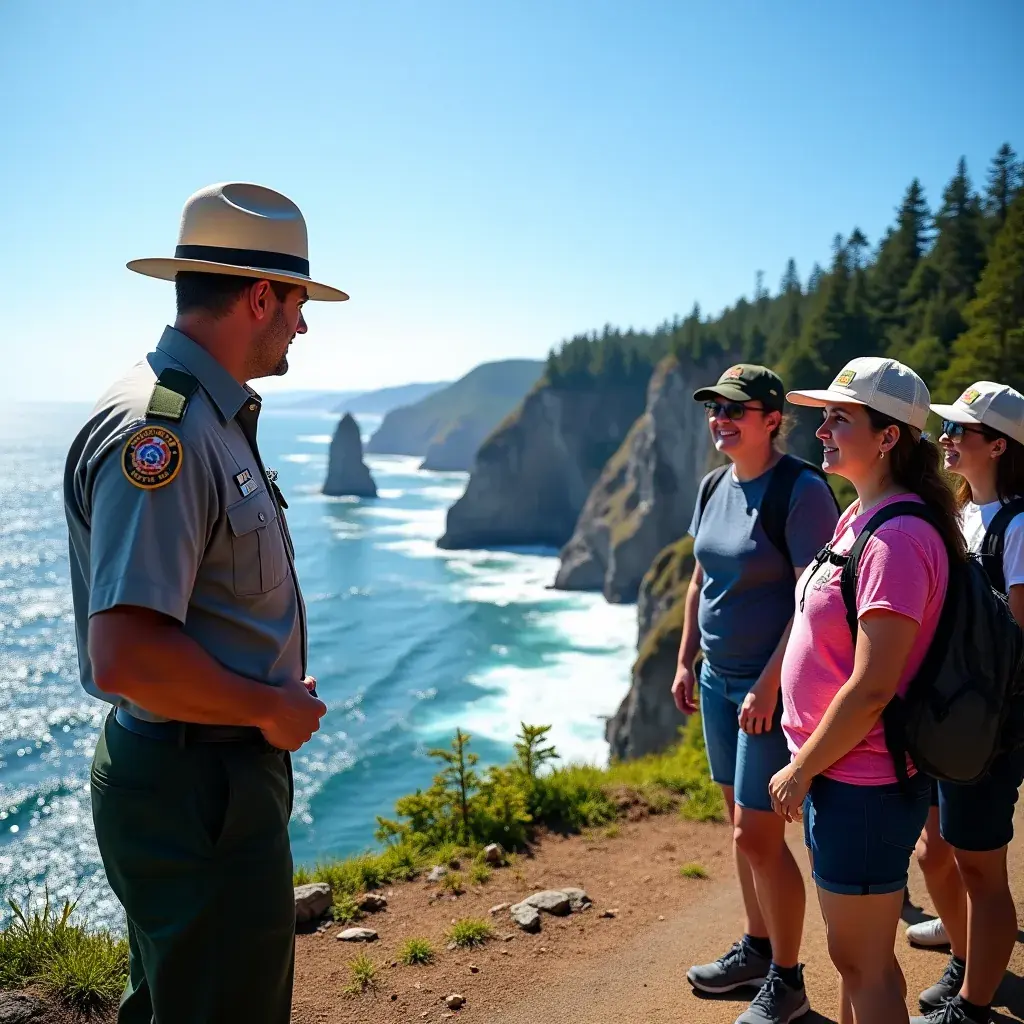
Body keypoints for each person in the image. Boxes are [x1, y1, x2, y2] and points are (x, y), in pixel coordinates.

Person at [63, 182, 347, 1023]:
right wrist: (267, 708)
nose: (302, 325)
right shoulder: (169, 433)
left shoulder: (203, 416)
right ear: (260, 297)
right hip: (200, 788)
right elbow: (126, 656)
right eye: (297, 303)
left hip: (202, 779)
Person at [772, 356, 959, 1024]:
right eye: (823, 417)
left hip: (864, 781)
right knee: (855, 959)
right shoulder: (863, 515)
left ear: (888, 437)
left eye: (838, 418)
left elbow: (875, 686)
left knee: (865, 963)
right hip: (845, 776)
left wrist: (801, 767)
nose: (821, 430)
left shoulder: (897, 539)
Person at [674, 364, 840, 1024]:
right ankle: (757, 947)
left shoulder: (802, 491)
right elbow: (699, 580)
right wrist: (685, 660)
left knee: (758, 835)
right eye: (714, 409)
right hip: (717, 680)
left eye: (734, 410)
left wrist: (769, 684)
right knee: (740, 828)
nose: (720, 419)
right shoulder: (714, 484)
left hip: (768, 690)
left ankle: (788, 981)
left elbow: (812, 599)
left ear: (772, 419)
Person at [903, 381, 1024, 1024]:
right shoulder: (957, 511)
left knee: (981, 871)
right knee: (935, 854)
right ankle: (969, 956)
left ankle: (974, 1006)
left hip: (987, 726)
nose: (945, 438)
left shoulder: (1019, 526)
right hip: (947, 715)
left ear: (999, 446)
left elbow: (1016, 639)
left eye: (960, 431)